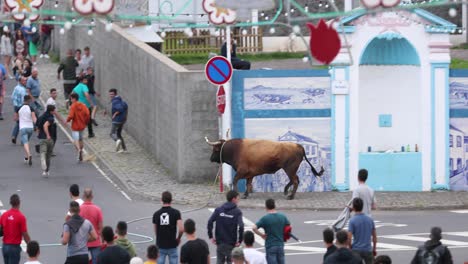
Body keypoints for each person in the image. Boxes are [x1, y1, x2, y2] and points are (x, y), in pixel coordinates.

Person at [207, 190, 244, 264]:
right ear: (233, 199)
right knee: (231, 261)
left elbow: (210, 222)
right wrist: (239, 240)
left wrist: (211, 236)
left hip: (220, 242)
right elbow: (241, 226)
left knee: (219, 261)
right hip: (231, 243)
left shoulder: (219, 210)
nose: (238, 200)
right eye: (237, 198)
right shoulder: (237, 212)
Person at [252, 199, 290, 264]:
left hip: (270, 245)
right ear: (274, 206)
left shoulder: (265, 218)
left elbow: (254, 228)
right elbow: (288, 227)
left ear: (266, 207)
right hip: (280, 244)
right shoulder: (282, 217)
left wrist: (261, 235)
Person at [152, 191, 183, 264]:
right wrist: (178, 238)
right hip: (172, 244)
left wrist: (159, 237)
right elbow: (181, 229)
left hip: (160, 244)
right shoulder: (176, 213)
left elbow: (156, 231)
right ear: (171, 200)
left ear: (161, 200)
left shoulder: (156, 214)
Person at [0, 194, 31, 264]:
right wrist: (30, 244)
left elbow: (1, 229)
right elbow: (24, 234)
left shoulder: (4, 215)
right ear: (19, 203)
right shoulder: (21, 217)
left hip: (5, 246)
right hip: (14, 248)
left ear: (10, 203)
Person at [348, 197, 377, 264]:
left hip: (356, 250)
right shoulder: (370, 220)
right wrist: (374, 249)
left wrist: (350, 248)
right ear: (362, 206)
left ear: (354, 207)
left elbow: (349, 238)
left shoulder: (352, 220)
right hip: (368, 249)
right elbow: (374, 237)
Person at [80, 188, 104, 264]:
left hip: (82, 242)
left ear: (83, 196)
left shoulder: (79, 209)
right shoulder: (97, 209)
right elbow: (100, 228)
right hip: (95, 241)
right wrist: (102, 240)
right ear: (92, 196)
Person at [66, 93, 90, 162]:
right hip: (82, 125)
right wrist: (86, 122)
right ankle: (81, 152)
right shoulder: (83, 105)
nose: (70, 100)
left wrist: (67, 121)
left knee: (75, 140)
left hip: (75, 126)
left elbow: (71, 116)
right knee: (80, 139)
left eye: (71, 99)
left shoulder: (73, 106)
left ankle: (79, 151)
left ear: (73, 99)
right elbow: (88, 114)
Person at [16, 95, 37, 166]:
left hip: (22, 128)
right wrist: (36, 126)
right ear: (29, 100)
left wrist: (20, 118)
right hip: (30, 128)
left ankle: (29, 154)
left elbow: (16, 118)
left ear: (24, 100)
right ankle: (27, 157)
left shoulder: (19, 108)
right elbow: (34, 119)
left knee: (25, 142)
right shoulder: (31, 108)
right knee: (27, 142)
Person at [36, 104, 56, 176]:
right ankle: (46, 170)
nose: (54, 112)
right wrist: (48, 135)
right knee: (48, 156)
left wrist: (38, 134)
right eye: (54, 111)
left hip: (41, 138)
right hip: (49, 138)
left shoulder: (41, 117)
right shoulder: (51, 118)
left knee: (43, 152)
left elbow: (37, 127)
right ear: (51, 111)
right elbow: (45, 126)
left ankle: (43, 162)